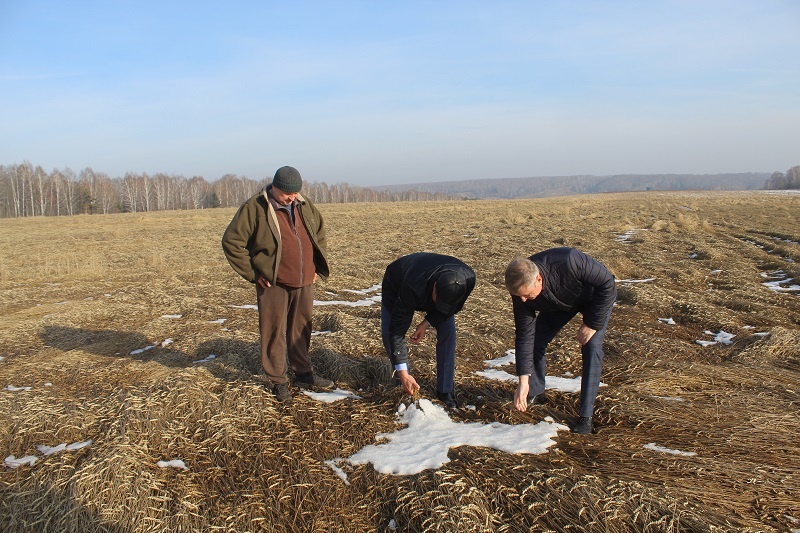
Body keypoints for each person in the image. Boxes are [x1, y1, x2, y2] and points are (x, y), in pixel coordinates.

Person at [222, 166, 333, 401]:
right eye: (287, 194)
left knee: (300, 330)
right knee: (274, 332)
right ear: (274, 188)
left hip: (304, 282)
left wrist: (315, 266)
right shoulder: (255, 208)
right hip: (273, 284)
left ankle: (304, 373)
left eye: (295, 193)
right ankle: (279, 381)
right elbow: (232, 242)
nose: (292, 197)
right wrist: (254, 273)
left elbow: (319, 233)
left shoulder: (304, 205)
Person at [504, 247, 616, 434]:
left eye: (526, 294)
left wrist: (592, 323)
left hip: (594, 298)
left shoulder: (570, 261)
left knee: (592, 346)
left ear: (538, 279)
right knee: (536, 341)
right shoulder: (520, 290)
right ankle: (536, 391)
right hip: (560, 303)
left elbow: (606, 284)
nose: (522, 300)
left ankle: (585, 416)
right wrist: (523, 381)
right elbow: (525, 335)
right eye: (518, 296)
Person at [381, 252, 476, 408]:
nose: (440, 308)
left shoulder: (468, 280)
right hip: (398, 281)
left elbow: (450, 310)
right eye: (439, 302)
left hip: (428, 277)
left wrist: (426, 323)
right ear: (435, 287)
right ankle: (404, 382)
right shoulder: (411, 287)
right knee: (388, 333)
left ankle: (445, 390)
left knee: (448, 331)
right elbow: (397, 332)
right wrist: (403, 372)